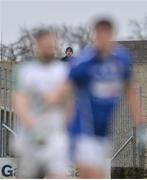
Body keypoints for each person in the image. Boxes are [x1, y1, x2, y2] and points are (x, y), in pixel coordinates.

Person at [56, 18, 145, 178]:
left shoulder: (122, 60)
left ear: (112, 35)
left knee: (93, 174)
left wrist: (140, 124)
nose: (103, 40)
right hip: (83, 128)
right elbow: (64, 90)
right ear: (94, 36)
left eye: (107, 35)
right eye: (99, 35)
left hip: (103, 130)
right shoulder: (83, 62)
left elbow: (130, 91)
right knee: (92, 173)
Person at [12, 29, 70, 178]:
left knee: (58, 175)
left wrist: (68, 127)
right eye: (45, 45)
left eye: (52, 45)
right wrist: (31, 125)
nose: (49, 48)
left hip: (55, 136)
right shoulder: (25, 71)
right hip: (31, 135)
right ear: (36, 45)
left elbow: (69, 101)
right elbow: (19, 101)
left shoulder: (63, 71)